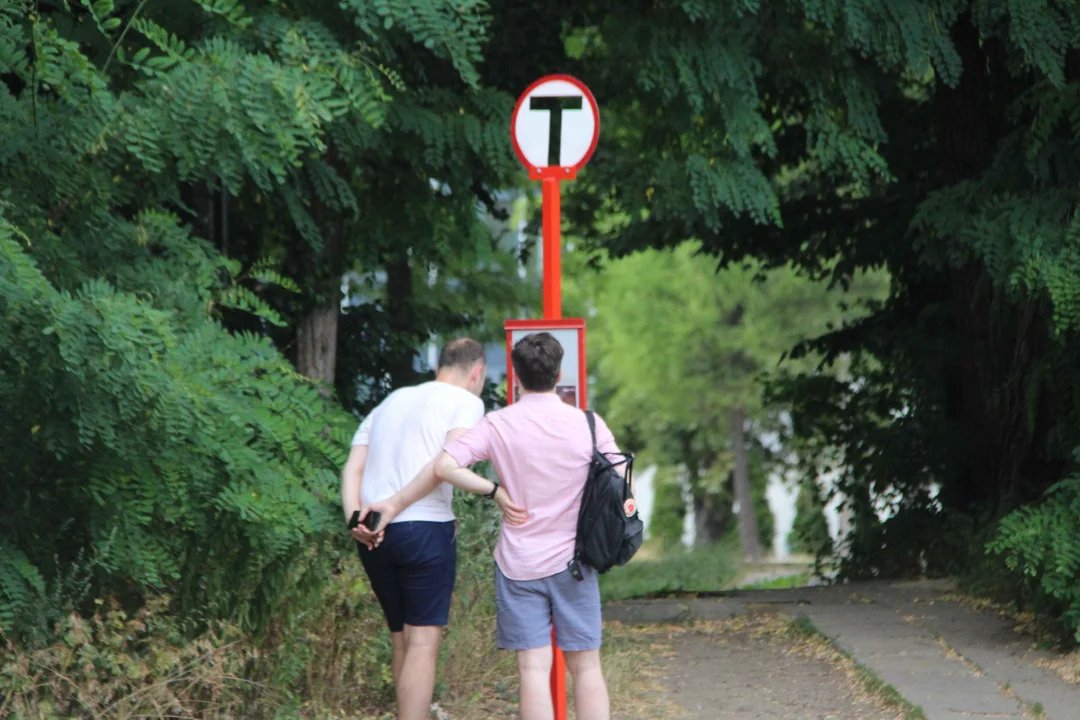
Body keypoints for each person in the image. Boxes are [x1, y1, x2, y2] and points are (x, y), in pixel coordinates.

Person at [364, 332, 623, 720]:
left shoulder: (498, 423)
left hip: (518, 565)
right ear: (559, 372)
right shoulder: (587, 424)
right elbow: (620, 480)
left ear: (516, 376)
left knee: (533, 670)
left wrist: (495, 491)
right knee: (586, 667)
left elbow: (445, 466)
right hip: (575, 563)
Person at [341, 338, 524, 720]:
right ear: (477, 374)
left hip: (373, 534)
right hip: (424, 528)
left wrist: (356, 519)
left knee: (401, 640)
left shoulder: (391, 401)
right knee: (423, 643)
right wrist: (399, 504)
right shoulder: (467, 403)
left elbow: (352, 468)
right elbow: (448, 463)